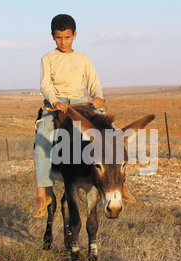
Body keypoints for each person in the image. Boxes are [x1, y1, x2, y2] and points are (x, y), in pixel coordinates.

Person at [33, 14, 135, 218]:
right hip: (57, 106)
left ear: (75, 35)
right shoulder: (48, 58)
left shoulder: (82, 59)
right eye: (59, 38)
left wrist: (98, 97)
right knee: (41, 142)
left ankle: (121, 185)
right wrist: (55, 101)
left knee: (113, 134)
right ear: (53, 37)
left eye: (67, 37)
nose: (63, 42)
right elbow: (45, 84)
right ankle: (42, 193)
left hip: (82, 104)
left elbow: (94, 82)